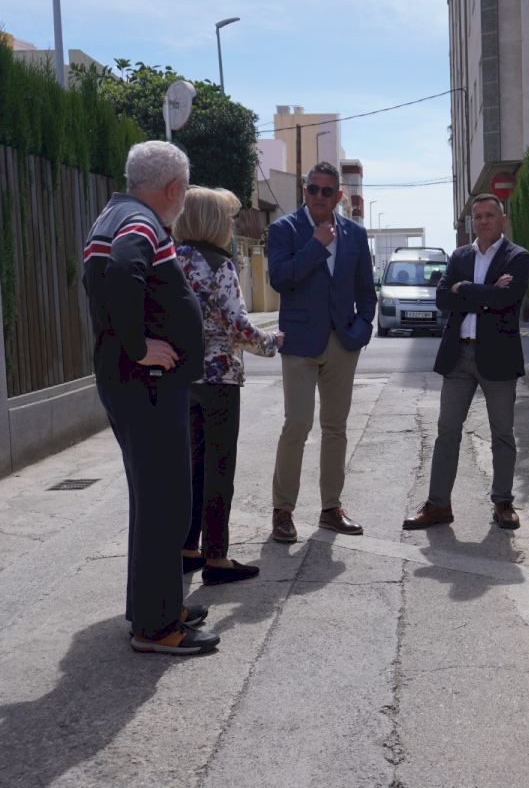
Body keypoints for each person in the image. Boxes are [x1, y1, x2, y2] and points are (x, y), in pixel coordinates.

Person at [82, 141, 218, 655]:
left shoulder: (117, 214)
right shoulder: (139, 223)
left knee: (154, 499)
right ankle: (157, 627)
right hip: (149, 387)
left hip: (137, 386)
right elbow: (123, 272)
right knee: (165, 503)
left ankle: (155, 607)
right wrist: (139, 347)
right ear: (174, 188)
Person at [174, 186, 284, 585]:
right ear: (211, 221)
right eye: (226, 218)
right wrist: (272, 343)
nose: (231, 226)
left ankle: (188, 548)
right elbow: (239, 326)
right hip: (218, 379)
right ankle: (217, 557)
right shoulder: (219, 264)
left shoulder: (172, 260)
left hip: (182, 378)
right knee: (219, 468)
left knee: (192, 466)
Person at [403, 194, 529, 531]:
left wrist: (466, 289)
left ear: (502, 219)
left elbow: (507, 300)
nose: (483, 221)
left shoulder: (518, 257)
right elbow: (443, 299)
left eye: (490, 215)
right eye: (478, 216)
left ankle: (503, 502)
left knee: (502, 433)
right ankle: (438, 504)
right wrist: (485, 293)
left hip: (498, 357)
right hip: (458, 355)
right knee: (447, 430)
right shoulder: (460, 256)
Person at [268, 162, 377, 543]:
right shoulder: (284, 229)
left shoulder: (355, 234)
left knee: (336, 428)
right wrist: (316, 245)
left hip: (342, 343)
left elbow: (366, 291)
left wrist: (361, 330)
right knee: (297, 424)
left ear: (338, 196)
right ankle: (283, 510)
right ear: (304, 191)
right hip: (299, 343)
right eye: (312, 189)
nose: (318, 196)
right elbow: (280, 278)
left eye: (326, 191)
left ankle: (331, 508)